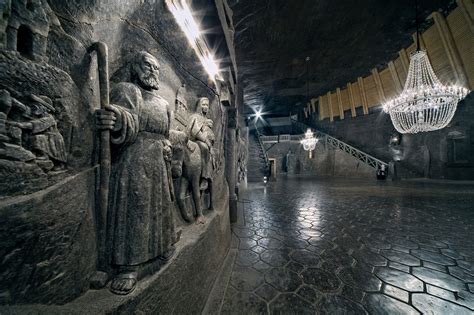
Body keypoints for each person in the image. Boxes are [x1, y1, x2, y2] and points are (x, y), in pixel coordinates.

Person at [96, 51, 176, 295]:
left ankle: (163, 246)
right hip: (133, 160)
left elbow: (166, 134)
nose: (153, 72)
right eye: (147, 66)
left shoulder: (163, 104)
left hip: (158, 161)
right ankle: (129, 266)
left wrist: (167, 145)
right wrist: (115, 118)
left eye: (156, 68)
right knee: (136, 209)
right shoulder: (128, 90)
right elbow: (124, 115)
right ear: (135, 67)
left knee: (160, 207)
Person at [187, 97, 215, 214]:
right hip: (196, 142)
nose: (206, 107)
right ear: (199, 105)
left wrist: (210, 141)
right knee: (203, 147)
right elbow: (194, 131)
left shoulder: (207, 120)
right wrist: (207, 142)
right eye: (203, 104)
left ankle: (206, 176)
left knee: (207, 149)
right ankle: (204, 177)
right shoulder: (195, 117)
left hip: (208, 144)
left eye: (207, 105)